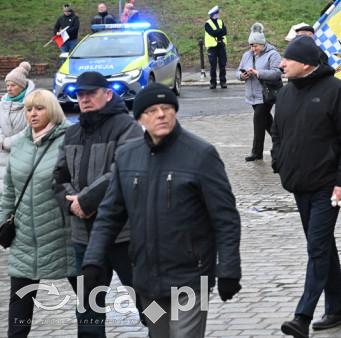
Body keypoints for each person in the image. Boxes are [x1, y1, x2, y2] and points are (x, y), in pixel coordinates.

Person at [83, 83, 242, 337]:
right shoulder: (127, 156)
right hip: (146, 280)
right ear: (140, 118)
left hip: (191, 278)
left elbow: (226, 218)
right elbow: (110, 214)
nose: (161, 114)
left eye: (167, 108)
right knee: (158, 334)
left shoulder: (201, 155)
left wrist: (229, 270)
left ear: (175, 112)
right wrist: (92, 260)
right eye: (153, 110)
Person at [271, 35, 341, 337]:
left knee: (318, 246)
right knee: (321, 246)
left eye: (288, 59)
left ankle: (302, 316)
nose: (282, 64)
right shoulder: (285, 95)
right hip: (299, 184)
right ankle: (337, 310)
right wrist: (280, 163)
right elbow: (277, 134)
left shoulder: (336, 91)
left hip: (328, 187)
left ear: (307, 64)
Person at [52, 70, 143, 337]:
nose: (85, 99)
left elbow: (122, 171)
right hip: (84, 239)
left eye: (91, 93)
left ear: (108, 94)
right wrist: (72, 205)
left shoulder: (127, 127)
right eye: (80, 94)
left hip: (124, 236)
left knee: (148, 303)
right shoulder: (71, 134)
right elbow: (58, 177)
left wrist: (86, 200)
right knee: (89, 312)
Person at [2, 89, 76, 338]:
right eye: (29, 109)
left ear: (52, 110)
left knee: (90, 298)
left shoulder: (69, 139)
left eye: (39, 108)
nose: (33, 114)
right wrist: (4, 221)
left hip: (62, 234)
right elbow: (9, 189)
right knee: (19, 303)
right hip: (24, 237)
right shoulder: (21, 142)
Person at [237, 23, 282, 161]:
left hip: (266, 95)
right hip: (252, 94)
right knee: (267, 122)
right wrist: (242, 76)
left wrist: (258, 73)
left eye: (255, 46)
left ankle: (256, 152)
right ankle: (283, 143)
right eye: (251, 45)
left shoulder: (273, 54)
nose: (253, 48)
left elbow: (277, 73)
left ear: (262, 44)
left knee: (258, 121)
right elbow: (238, 71)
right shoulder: (247, 55)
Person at [1, 62, 32, 191]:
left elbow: (30, 128)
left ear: (21, 86)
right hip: (2, 154)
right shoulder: (2, 103)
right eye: (7, 85)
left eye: (13, 85)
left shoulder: (31, 102)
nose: (9, 88)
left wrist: (9, 142)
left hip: (24, 154)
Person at [205, 6, 228, 90]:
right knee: (213, 65)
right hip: (212, 47)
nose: (219, 14)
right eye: (217, 13)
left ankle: (223, 82)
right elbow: (212, 33)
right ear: (213, 14)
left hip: (221, 46)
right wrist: (220, 32)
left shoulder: (221, 22)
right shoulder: (208, 23)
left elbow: (225, 31)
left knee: (222, 64)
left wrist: (219, 32)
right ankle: (213, 83)